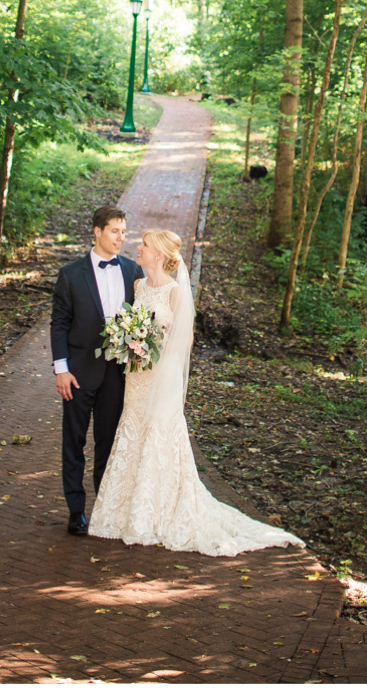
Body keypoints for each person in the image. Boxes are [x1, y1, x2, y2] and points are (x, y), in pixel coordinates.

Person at [85, 229, 301, 557]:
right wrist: (129, 344)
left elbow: (183, 343)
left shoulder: (175, 293)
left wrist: (148, 346)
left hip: (161, 378)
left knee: (160, 437)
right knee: (133, 434)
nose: (138, 249)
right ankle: (122, 513)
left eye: (143, 245)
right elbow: (130, 324)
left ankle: (159, 514)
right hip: (136, 378)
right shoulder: (139, 286)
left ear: (158, 253)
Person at [51, 206, 140, 536]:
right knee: (73, 443)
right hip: (77, 373)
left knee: (108, 443)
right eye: (115, 231)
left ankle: (104, 507)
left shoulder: (132, 271)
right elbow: (59, 323)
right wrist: (61, 369)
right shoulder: (71, 275)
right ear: (97, 231)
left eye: (124, 232)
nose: (121, 238)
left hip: (116, 375)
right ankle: (76, 510)